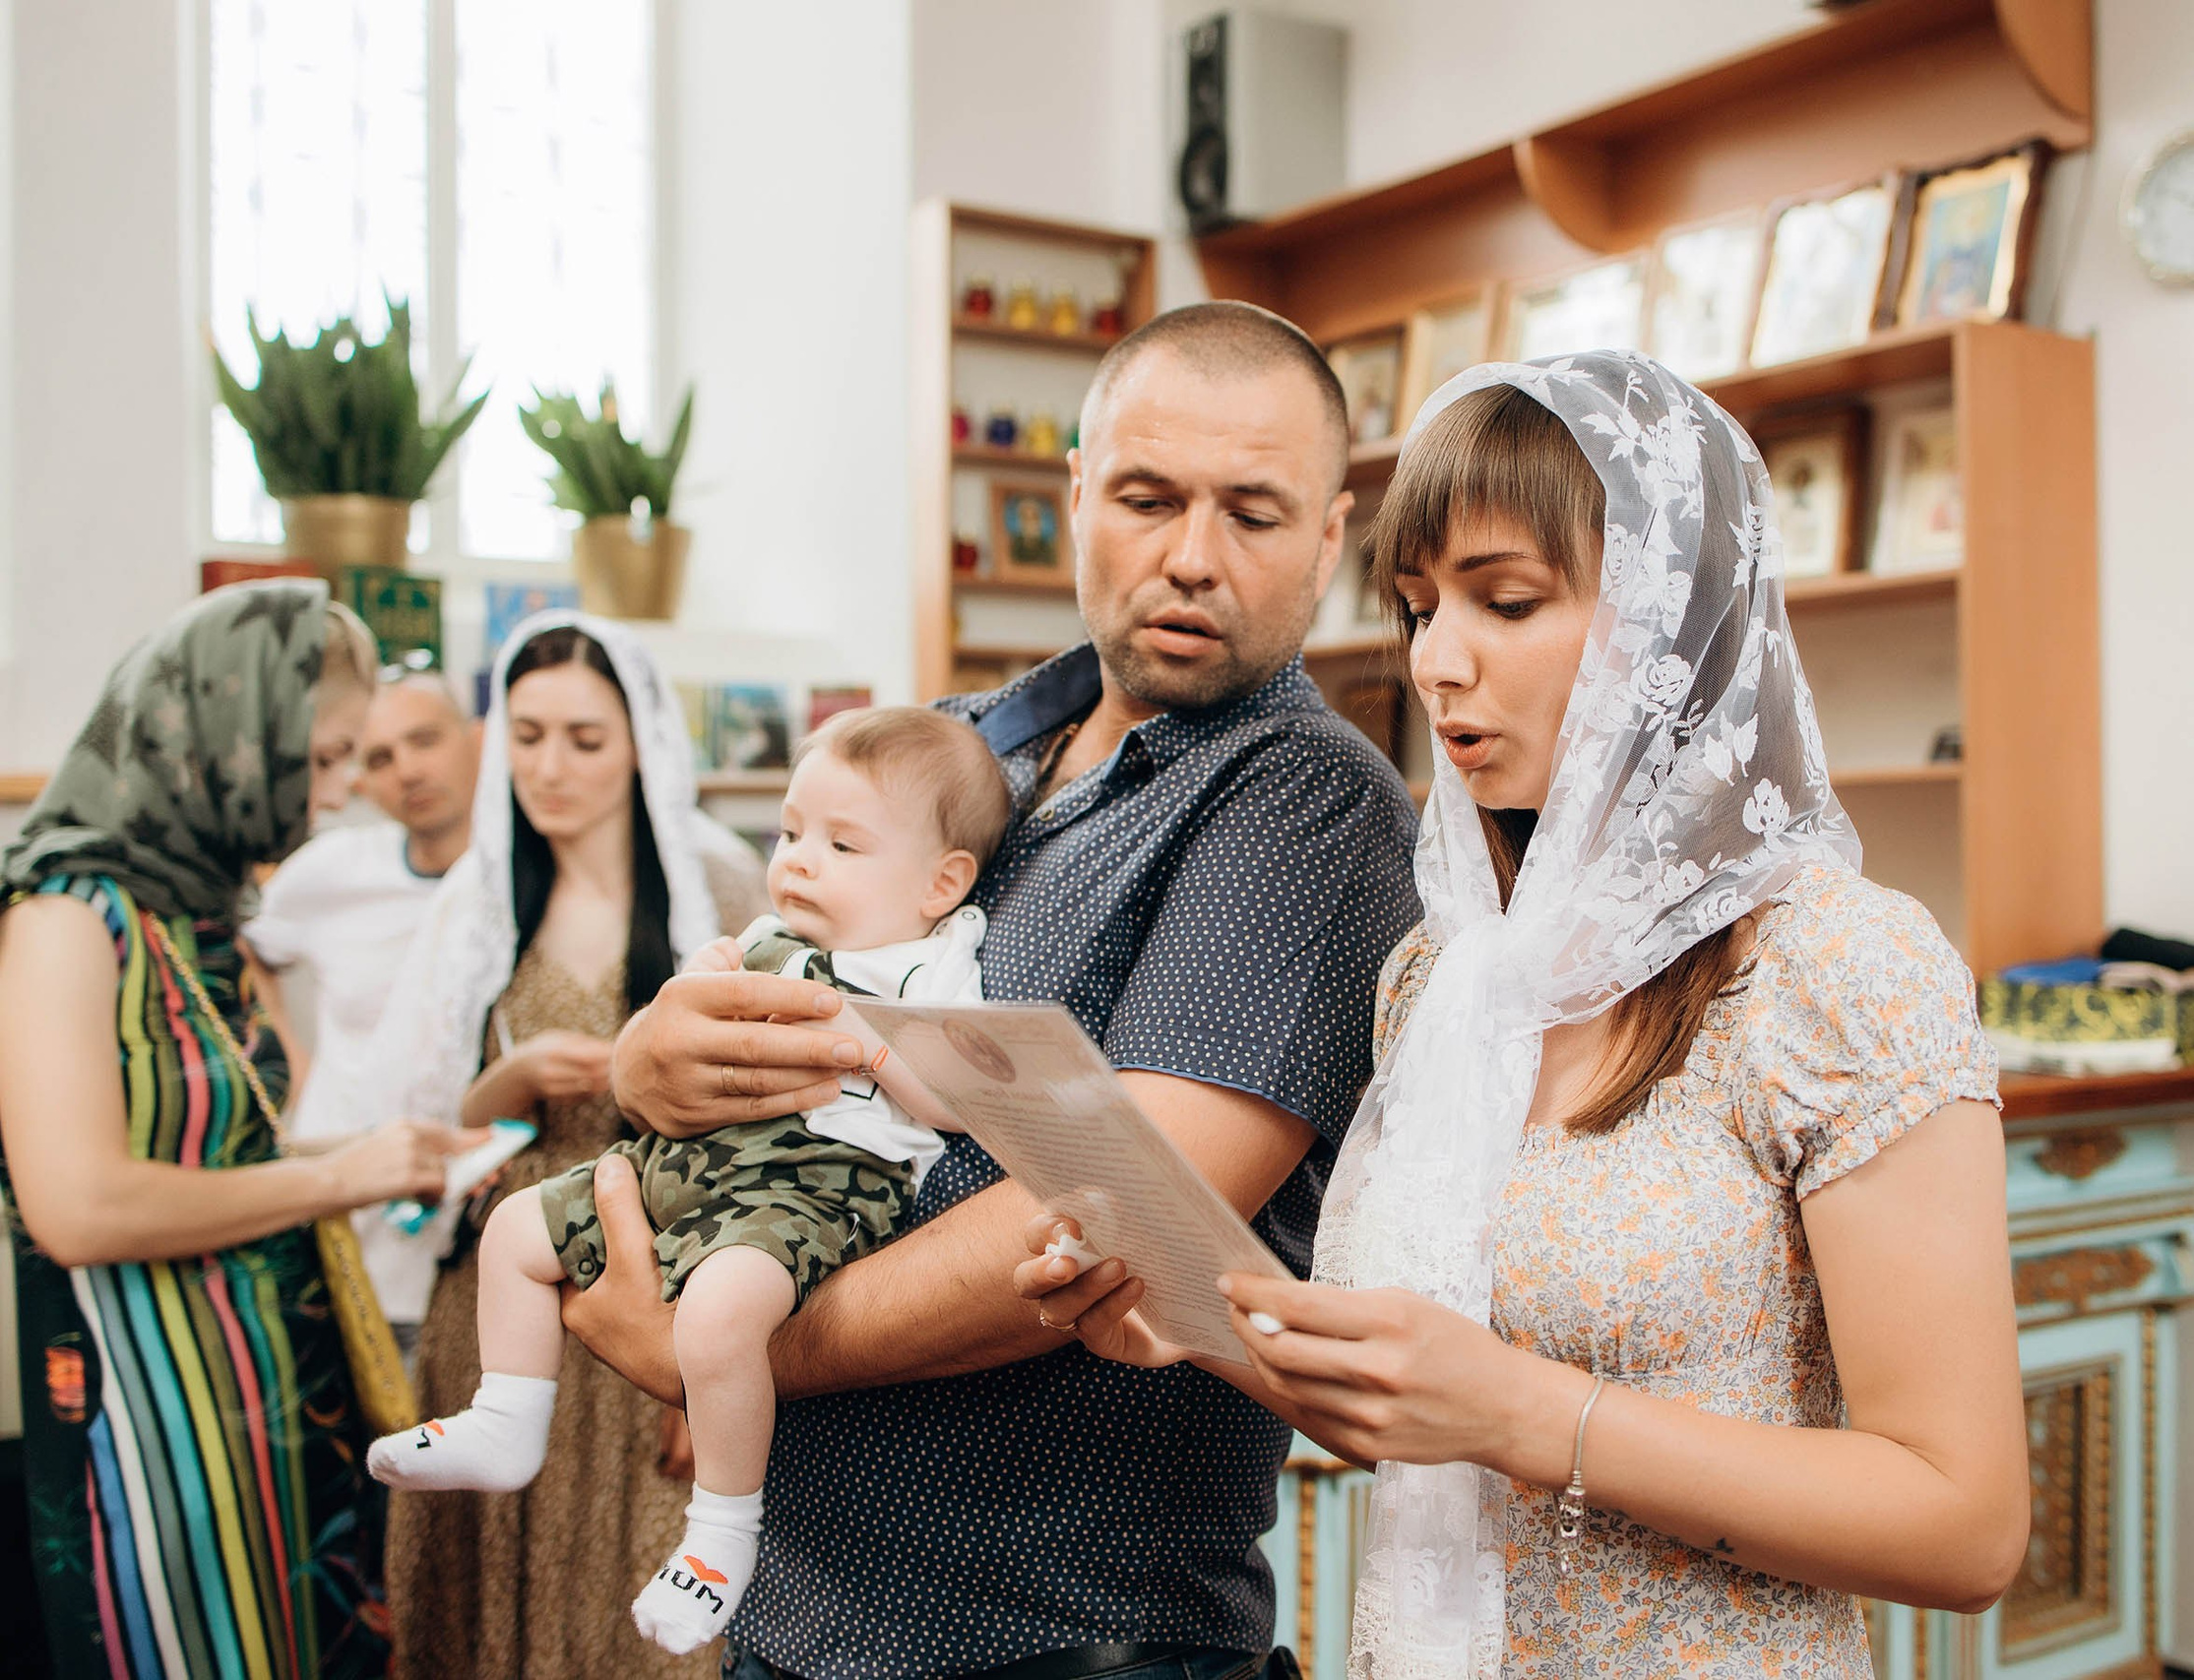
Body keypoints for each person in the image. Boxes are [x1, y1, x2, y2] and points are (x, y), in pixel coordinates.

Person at [1021, 354, 2032, 1678]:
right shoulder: (1442, 979)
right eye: (1418, 606)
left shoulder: (1836, 963)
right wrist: (1206, 1320)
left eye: (1506, 601)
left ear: (1675, 619)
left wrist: (1527, 1410)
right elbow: (1425, 1398)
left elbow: (1963, 1523)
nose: (1439, 663)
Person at [566, 301, 1423, 1680]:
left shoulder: (1305, 804)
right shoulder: (961, 747)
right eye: (1147, 497)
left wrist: (722, 1351)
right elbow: (780, 986)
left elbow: (1109, 1212)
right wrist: (654, 1058)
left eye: (1254, 515)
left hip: (1061, 1640)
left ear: (1330, 537)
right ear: (1077, 492)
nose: (1192, 557)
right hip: (794, 1606)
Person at [371, 705, 1008, 1657]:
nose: (798, 860)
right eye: (790, 833)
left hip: (819, 1182)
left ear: (939, 882)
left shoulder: (932, 964)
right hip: (696, 1159)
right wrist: (701, 982)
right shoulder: (767, 931)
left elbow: (959, 1107)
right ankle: (505, 1418)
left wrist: (874, 1048)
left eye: (841, 844)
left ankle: (718, 1536)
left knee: (717, 1318)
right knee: (516, 1231)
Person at [0, 581, 470, 1680]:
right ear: (219, 735)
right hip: (153, 1424)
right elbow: (80, 1207)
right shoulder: (66, 920)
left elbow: (214, 1155)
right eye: (319, 761)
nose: (342, 794)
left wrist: (372, 1155)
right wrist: (336, 1178)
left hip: (265, 1397)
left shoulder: (190, 914)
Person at [364, 610, 769, 1680]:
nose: (552, 767)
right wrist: (507, 1083)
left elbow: (779, 1121)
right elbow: (410, 1153)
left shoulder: (720, 888)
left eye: (585, 739)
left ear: (640, 741)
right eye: (528, 735)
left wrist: (715, 1372)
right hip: (504, 1311)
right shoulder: (479, 907)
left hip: (656, 1298)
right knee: (500, 1610)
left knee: (644, 1629)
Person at [244, 656, 483, 1336]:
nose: (406, 769)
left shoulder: (521, 881)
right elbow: (247, 947)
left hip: (461, 1226)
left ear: (476, 738)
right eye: (378, 757)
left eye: (425, 740)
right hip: (335, 1202)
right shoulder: (332, 872)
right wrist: (288, 1052)